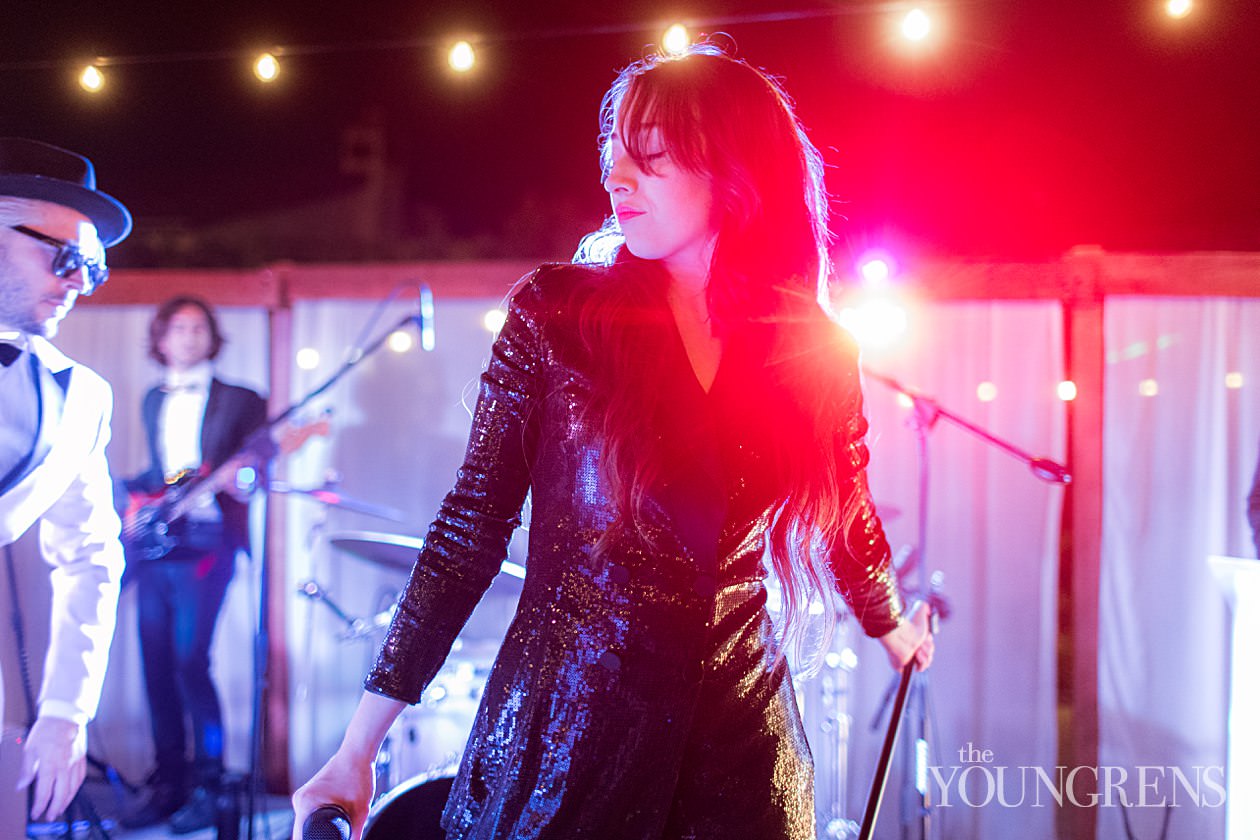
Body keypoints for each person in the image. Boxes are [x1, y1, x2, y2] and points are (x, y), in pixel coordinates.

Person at [292, 43, 933, 840]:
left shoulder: (811, 344)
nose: (615, 178)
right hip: (568, 735)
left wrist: (891, 621)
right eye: (612, 156)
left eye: (651, 158)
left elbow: (847, 508)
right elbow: (469, 530)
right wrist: (358, 747)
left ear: (736, 175)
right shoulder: (558, 315)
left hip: (739, 740)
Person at [0, 138, 129, 839]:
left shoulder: (82, 398)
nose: (79, 281)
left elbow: (90, 558)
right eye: (64, 256)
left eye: (93, 266)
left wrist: (65, 712)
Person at [120, 296, 267, 832]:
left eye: (197, 327)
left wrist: (244, 473)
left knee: (190, 661)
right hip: (158, 545)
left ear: (211, 336)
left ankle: (211, 785)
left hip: (211, 543)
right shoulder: (151, 399)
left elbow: (258, 465)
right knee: (154, 665)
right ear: (160, 338)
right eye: (177, 328)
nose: (187, 336)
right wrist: (130, 499)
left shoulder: (242, 399)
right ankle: (168, 782)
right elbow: (159, 474)